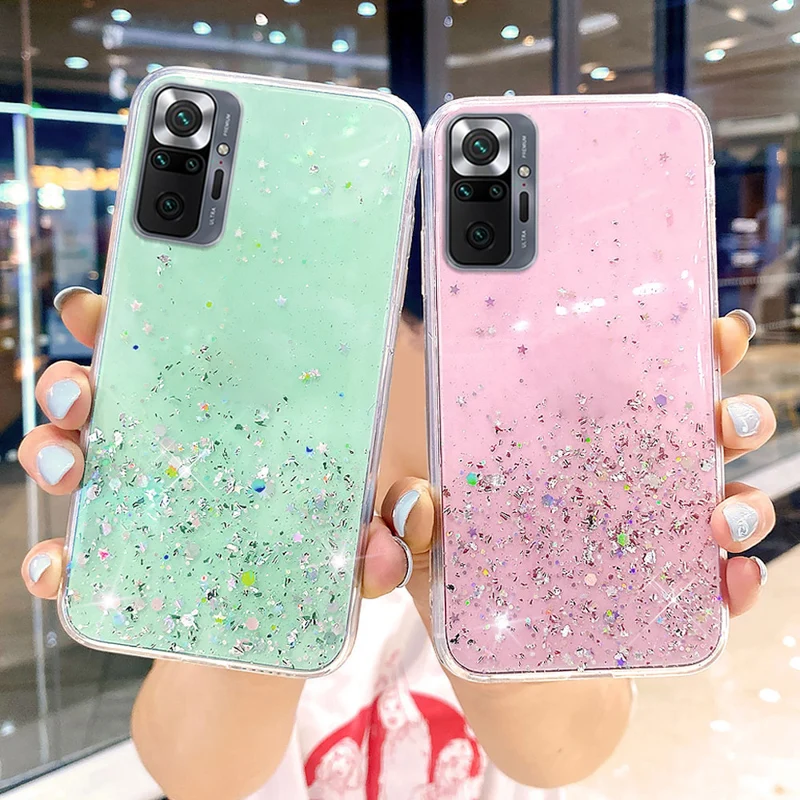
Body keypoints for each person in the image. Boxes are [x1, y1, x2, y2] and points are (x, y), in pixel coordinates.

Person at [20, 288, 774, 800]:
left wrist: (479, 571)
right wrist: (272, 567)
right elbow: (196, 769)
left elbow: (566, 747)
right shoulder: (247, 534)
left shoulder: (534, 532)